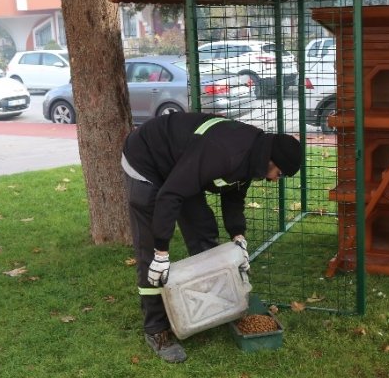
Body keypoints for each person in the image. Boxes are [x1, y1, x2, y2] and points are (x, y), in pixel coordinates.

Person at [121, 112, 302, 363]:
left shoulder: (252, 155)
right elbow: (170, 195)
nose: (274, 181)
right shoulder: (225, 153)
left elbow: (234, 195)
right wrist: (162, 251)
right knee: (151, 254)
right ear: (271, 160)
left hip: (182, 163)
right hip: (146, 158)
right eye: (279, 174)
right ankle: (156, 330)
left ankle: (211, 308)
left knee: (203, 231)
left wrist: (238, 237)